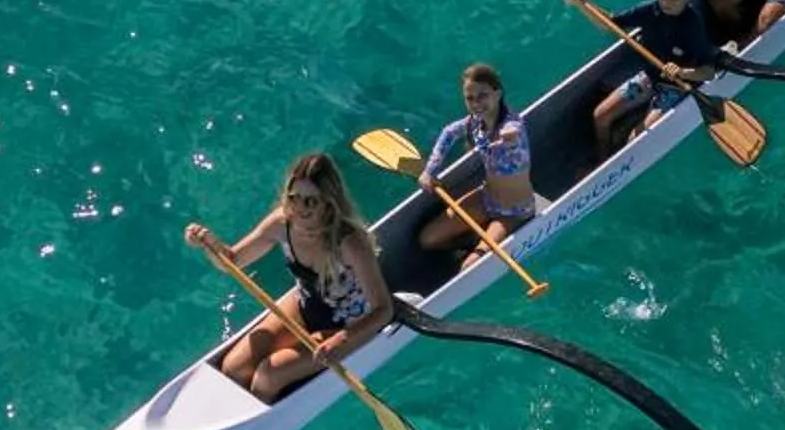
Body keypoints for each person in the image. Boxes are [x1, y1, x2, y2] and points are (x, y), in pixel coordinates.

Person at [185, 151, 391, 403]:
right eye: (295, 199)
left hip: (348, 325)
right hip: (304, 307)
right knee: (233, 368)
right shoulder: (281, 224)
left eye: (311, 202)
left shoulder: (349, 243)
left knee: (267, 376)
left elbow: (383, 310)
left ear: (328, 202)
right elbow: (233, 262)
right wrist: (210, 244)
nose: (300, 209)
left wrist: (342, 340)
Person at [580, 0, 715, 156]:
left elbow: (709, 73)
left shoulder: (692, 26)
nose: (665, 3)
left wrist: (682, 72)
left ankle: (630, 131)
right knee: (600, 116)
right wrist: (580, 1)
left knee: (634, 142)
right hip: (650, 76)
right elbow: (610, 23)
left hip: (677, 87)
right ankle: (602, 160)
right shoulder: (649, 9)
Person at [414, 62, 537, 252]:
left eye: (483, 96)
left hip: (514, 212)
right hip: (487, 199)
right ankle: (475, 243)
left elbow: (514, 132)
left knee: (469, 267)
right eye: (470, 98)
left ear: (498, 93)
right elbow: (449, 132)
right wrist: (429, 171)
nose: (476, 104)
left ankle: (481, 248)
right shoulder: (475, 123)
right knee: (428, 240)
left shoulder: (512, 125)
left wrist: (507, 138)